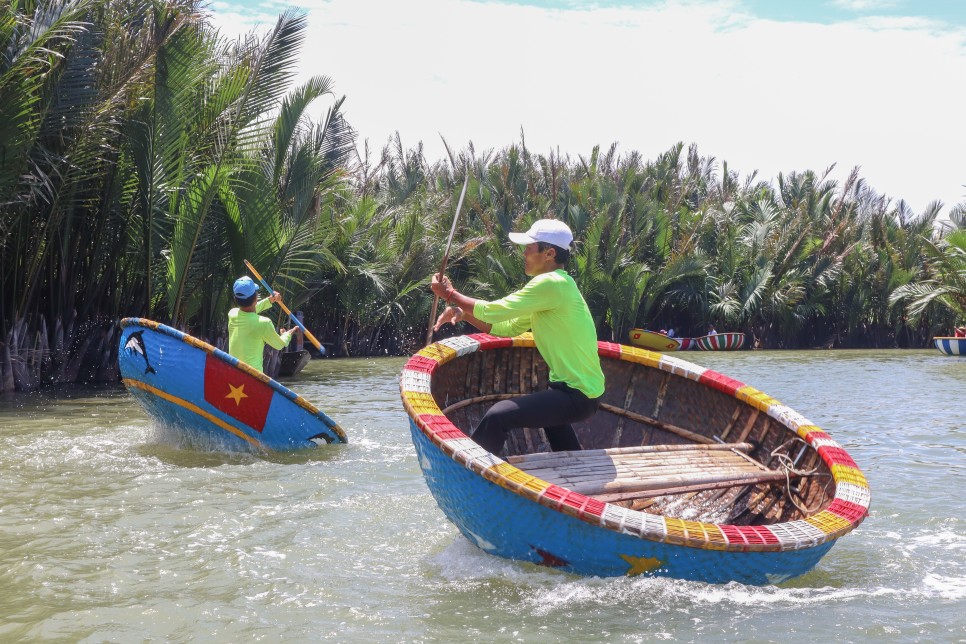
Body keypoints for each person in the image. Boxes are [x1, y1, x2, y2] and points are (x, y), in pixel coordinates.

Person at [431, 218, 605, 455]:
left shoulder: (551, 283)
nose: (524, 253)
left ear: (550, 253)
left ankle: (470, 474)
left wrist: (450, 294)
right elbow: (506, 327)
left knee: (498, 415)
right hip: (580, 393)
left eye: (529, 248)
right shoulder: (560, 286)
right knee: (551, 418)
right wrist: (464, 315)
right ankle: (576, 464)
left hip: (577, 395)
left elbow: (496, 310)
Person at [227, 276, 294, 373]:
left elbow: (249, 310)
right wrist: (286, 335)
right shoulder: (264, 323)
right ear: (255, 298)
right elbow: (279, 345)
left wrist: (269, 300)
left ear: (235, 298)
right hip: (253, 378)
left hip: (234, 375)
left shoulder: (232, 314)